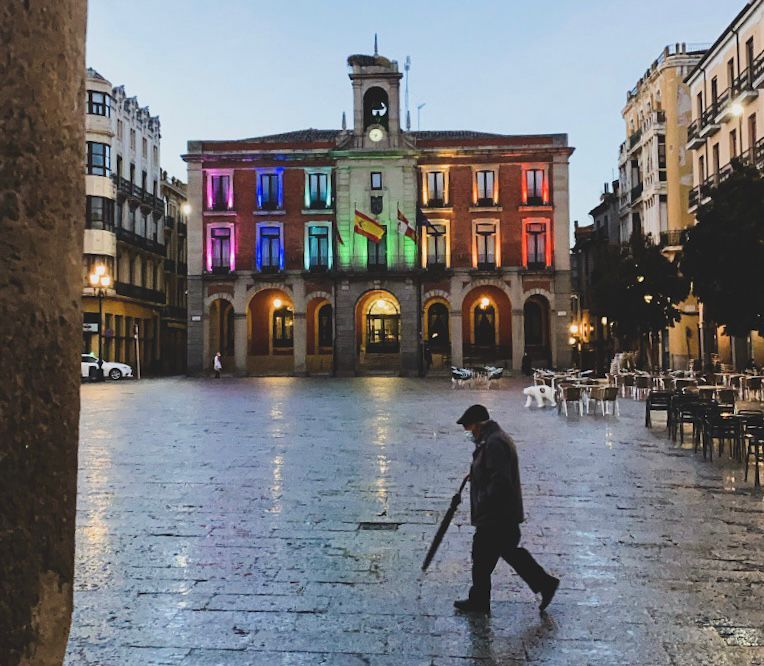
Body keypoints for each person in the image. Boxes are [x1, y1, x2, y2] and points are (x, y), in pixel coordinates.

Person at [454, 404, 559, 615]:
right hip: (500, 514)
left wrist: (484, 500)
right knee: (502, 554)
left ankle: (481, 601)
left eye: (470, 429)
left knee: (485, 556)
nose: (470, 434)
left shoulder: (494, 443)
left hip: (497, 515)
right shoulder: (492, 440)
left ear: (478, 425)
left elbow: (500, 480)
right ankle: (542, 584)